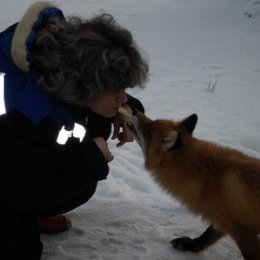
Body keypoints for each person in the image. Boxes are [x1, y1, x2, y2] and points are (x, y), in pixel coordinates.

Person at [0, 1, 148, 259]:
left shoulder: (68, 80)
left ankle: (33, 215)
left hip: (21, 164)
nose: (122, 98)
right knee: (20, 209)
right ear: (85, 85)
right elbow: (24, 187)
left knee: (81, 179)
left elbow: (101, 103)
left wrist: (129, 113)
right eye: (115, 90)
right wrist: (91, 155)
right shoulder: (34, 112)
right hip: (11, 175)